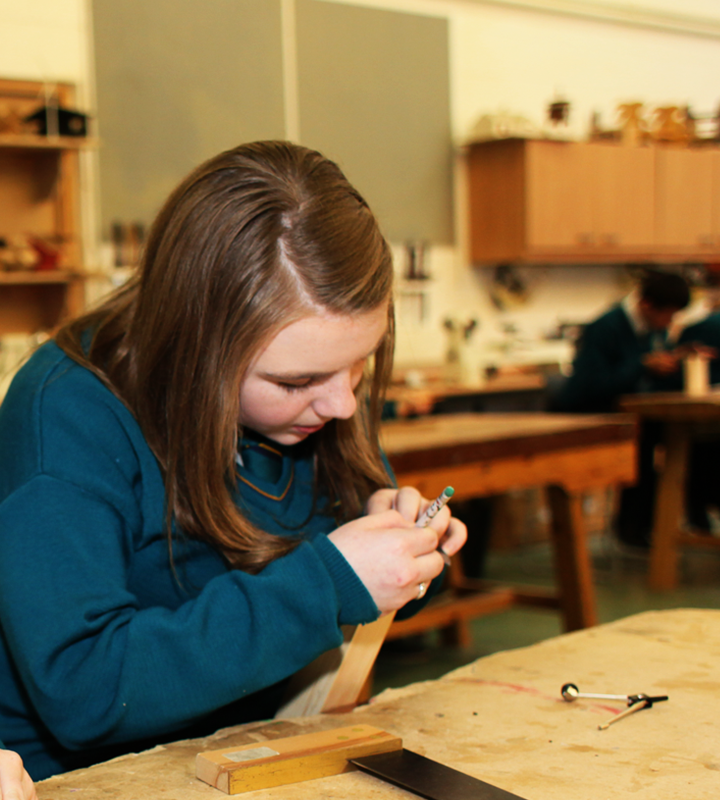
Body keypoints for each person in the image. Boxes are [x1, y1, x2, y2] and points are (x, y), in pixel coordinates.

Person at [0, 141, 466, 780]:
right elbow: (87, 690)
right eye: (297, 382)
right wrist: (330, 582)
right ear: (196, 349)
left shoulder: (320, 385)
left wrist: (399, 560)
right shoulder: (67, 415)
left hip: (253, 746)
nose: (339, 403)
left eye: (360, 361)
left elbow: (324, 600)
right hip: (90, 775)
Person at [553, 269, 691, 547]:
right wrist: (642, 366)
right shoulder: (606, 328)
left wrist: (674, 365)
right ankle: (634, 529)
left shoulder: (654, 329)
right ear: (647, 305)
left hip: (634, 415)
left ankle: (663, 525)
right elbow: (589, 387)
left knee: (679, 440)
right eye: (668, 314)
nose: (670, 321)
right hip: (592, 415)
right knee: (644, 445)